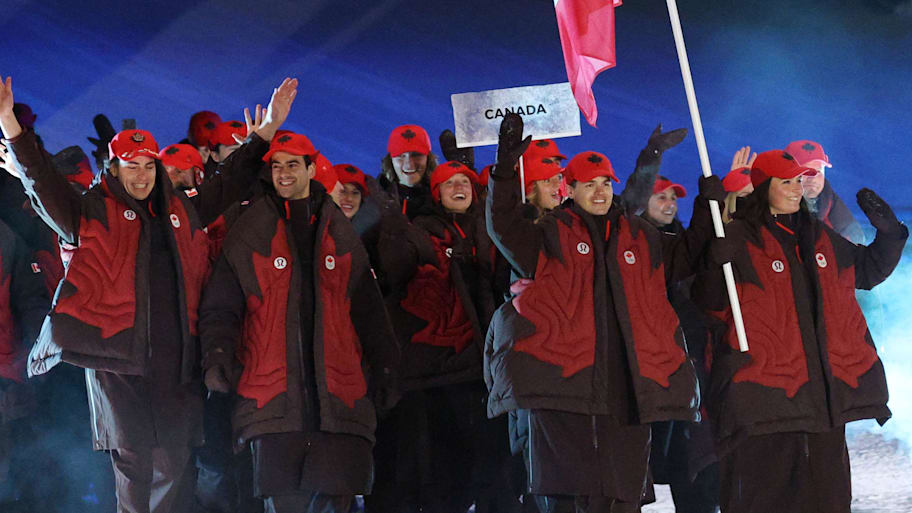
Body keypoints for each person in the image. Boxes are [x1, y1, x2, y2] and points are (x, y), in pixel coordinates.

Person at [0, 73, 299, 513]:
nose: (140, 176)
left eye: (147, 165)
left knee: (176, 467)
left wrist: (267, 130)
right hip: (118, 364)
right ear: (114, 168)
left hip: (176, 363)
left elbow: (228, 182)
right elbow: (44, 182)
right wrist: (10, 124)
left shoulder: (182, 210)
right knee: (135, 467)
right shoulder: (89, 212)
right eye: (130, 166)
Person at [485, 114, 699, 513]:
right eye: (589, 184)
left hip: (625, 389)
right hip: (563, 389)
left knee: (622, 497)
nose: (599, 193)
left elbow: (687, 254)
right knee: (569, 498)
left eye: (605, 184)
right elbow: (503, 224)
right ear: (570, 188)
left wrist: (709, 204)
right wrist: (503, 170)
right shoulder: (546, 235)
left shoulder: (638, 236)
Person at [693, 149, 907, 513]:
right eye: (785, 182)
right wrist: (714, 262)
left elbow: (867, 272)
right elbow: (710, 305)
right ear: (763, 187)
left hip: (820, 399)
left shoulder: (818, 236)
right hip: (763, 400)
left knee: (828, 500)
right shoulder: (740, 237)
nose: (796, 189)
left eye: (797, 181)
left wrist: (889, 235)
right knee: (769, 501)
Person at [199, 130, 399, 513]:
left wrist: (387, 365)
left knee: (335, 503)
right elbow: (221, 307)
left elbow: (369, 310)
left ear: (311, 168)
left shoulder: (339, 230)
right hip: (272, 401)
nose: (283, 173)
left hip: (339, 402)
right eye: (276, 166)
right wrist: (218, 354)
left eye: (293, 164)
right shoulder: (249, 229)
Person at [785, 140, 864, 244]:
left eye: (818, 171)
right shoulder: (771, 208)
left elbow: (857, 243)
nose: (812, 178)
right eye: (805, 171)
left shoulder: (830, 202)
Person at [378, 124, 438, 220]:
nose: (409, 164)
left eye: (416, 155)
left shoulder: (441, 198)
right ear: (390, 160)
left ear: (428, 158)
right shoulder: (374, 197)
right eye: (401, 156)